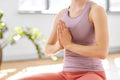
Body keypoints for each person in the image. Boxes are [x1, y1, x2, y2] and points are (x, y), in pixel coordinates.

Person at [19, 0, 109, 80]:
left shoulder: (96, 10)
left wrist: (69, 45)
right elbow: (47, 49)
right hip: (65, 75)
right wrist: (59, 45)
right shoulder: (62, 14)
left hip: (91, 73)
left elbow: (102, 52)